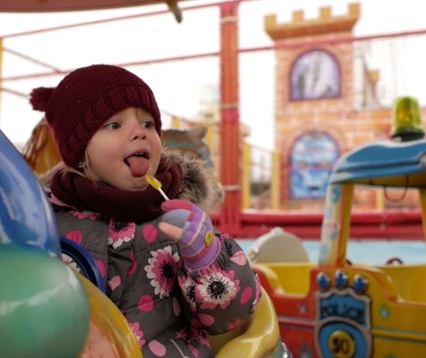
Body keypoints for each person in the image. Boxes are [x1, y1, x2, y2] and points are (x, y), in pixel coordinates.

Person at [26, 64, 261, 357]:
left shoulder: (177, 221)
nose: (139, 133)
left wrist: (206, 256)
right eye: (114, 125)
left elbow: (228, 317)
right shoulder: (43, 219)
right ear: (79, 153)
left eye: (148, 124)